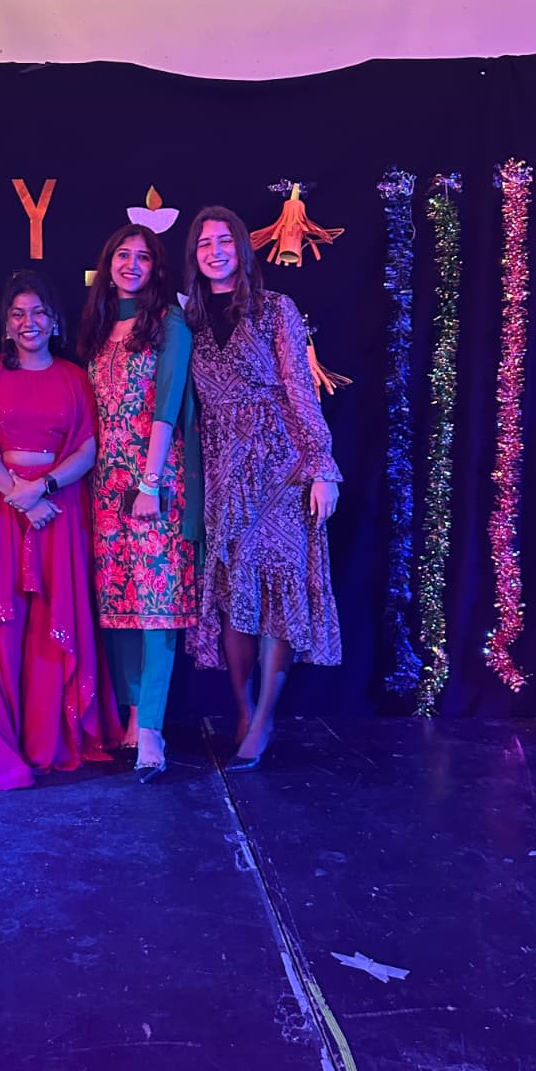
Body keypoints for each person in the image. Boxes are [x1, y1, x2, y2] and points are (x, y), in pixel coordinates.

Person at [184, 207, 341, 769]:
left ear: (243, 248)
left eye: (225, 240)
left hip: (280, 467)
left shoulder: (276, 309)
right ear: (194, 255)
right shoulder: (191, 320)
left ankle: (266, 714)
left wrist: (321, 467)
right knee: (234, 600)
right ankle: (243, 707)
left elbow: (301, 390)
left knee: (278, 594)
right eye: (205, 243)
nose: (216, 250)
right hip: (224, 473)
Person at [0, 270, 120, 790]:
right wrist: (20, 496)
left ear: (54, 321)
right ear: (5, 324)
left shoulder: (74, 377)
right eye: (18, 314)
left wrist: (42, 487)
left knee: (52, 625)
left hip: (59, 512)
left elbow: (89, 448)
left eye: (38, 313)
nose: (29, 322)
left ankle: (47, 742)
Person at [79, 224, 197, 782]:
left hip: (155, 481)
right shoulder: (100, 327)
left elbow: (168, 405)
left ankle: (151, 727)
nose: (130, 265)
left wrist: (150, 483)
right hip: (104, 484)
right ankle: (130, 717)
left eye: (142, 257)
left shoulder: (168, 323)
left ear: (156, 267)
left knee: (157, 604)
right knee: (118, 604)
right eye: (121, 255)